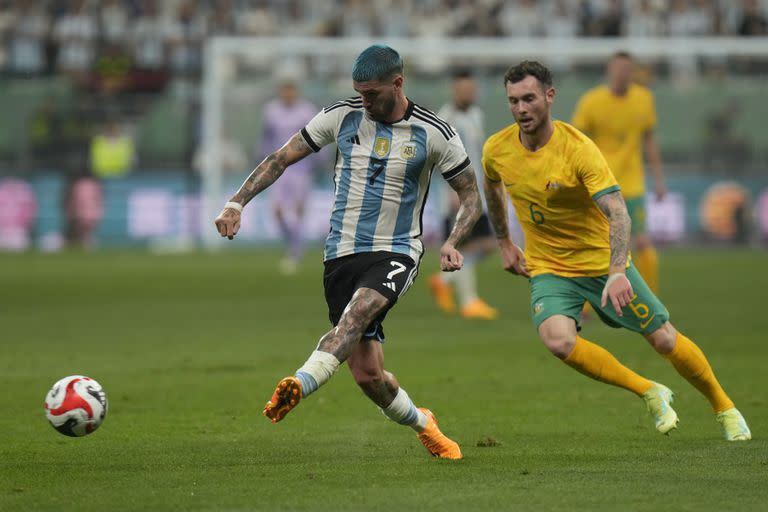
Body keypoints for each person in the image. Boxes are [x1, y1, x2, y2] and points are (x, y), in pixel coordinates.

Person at [214, 45, 482, 458]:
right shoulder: (341, 116)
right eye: (359, 92)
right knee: (368, 374)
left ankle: (299, 383)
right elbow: (281, 158)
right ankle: (424, 423)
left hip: (396, 251)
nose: (365, 101)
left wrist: (451, 241)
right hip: (340, 254)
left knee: (356, 315)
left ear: (398, 83)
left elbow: (470, 196)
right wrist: (236, 202)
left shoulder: (435, 132)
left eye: (372, 93)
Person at [482, 60, 750, 441]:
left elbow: (619, 213)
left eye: (529, 98)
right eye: (513, 101)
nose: (521, 109)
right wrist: (505, 242)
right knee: (557, 340)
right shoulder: (497, 148)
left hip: (600, 264)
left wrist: (618, 270)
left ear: (549, 96)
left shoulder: (579, 150)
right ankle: (649, 391)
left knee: (664, 339)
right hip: (550, 267)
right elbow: (491, 185)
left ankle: (725, 407)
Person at [572, 52, 664, 294]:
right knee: (593, 245)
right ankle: (584, 305)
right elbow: (577, 141)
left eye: (627, 69)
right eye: (618, 69)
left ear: (633, 72)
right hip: (600, 185)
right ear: (609, 71)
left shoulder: (644, 99)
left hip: (633, 185)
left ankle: (647, 297)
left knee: (643, 243)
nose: (623, 74)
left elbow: (649, 139)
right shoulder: (591, 101)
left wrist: (658, 179)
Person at [429, 70, 498, 320]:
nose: (468, 93)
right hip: (456, 195)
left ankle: (442, 281)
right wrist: (451, 190)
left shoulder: (476, 115)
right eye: (463, 89)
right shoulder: (444, 119)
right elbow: (436, 159)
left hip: (477, 192)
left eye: (471, 89)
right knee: (464, 246)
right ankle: (469, 301)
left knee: (490, 244)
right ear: (454, 91)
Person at [259, 75, 320, 274]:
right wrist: (263, 160)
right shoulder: (271, 111)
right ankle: (294, 244)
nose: (287, 94)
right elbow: (266, 137)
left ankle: (295, 250)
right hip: (278, 168)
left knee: (298, 209)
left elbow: (318, 138)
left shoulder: (307, 111)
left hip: (301, 168)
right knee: (277, 211)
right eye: (284, 90)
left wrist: (318, 162)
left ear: (295, 91)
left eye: (291, 90)